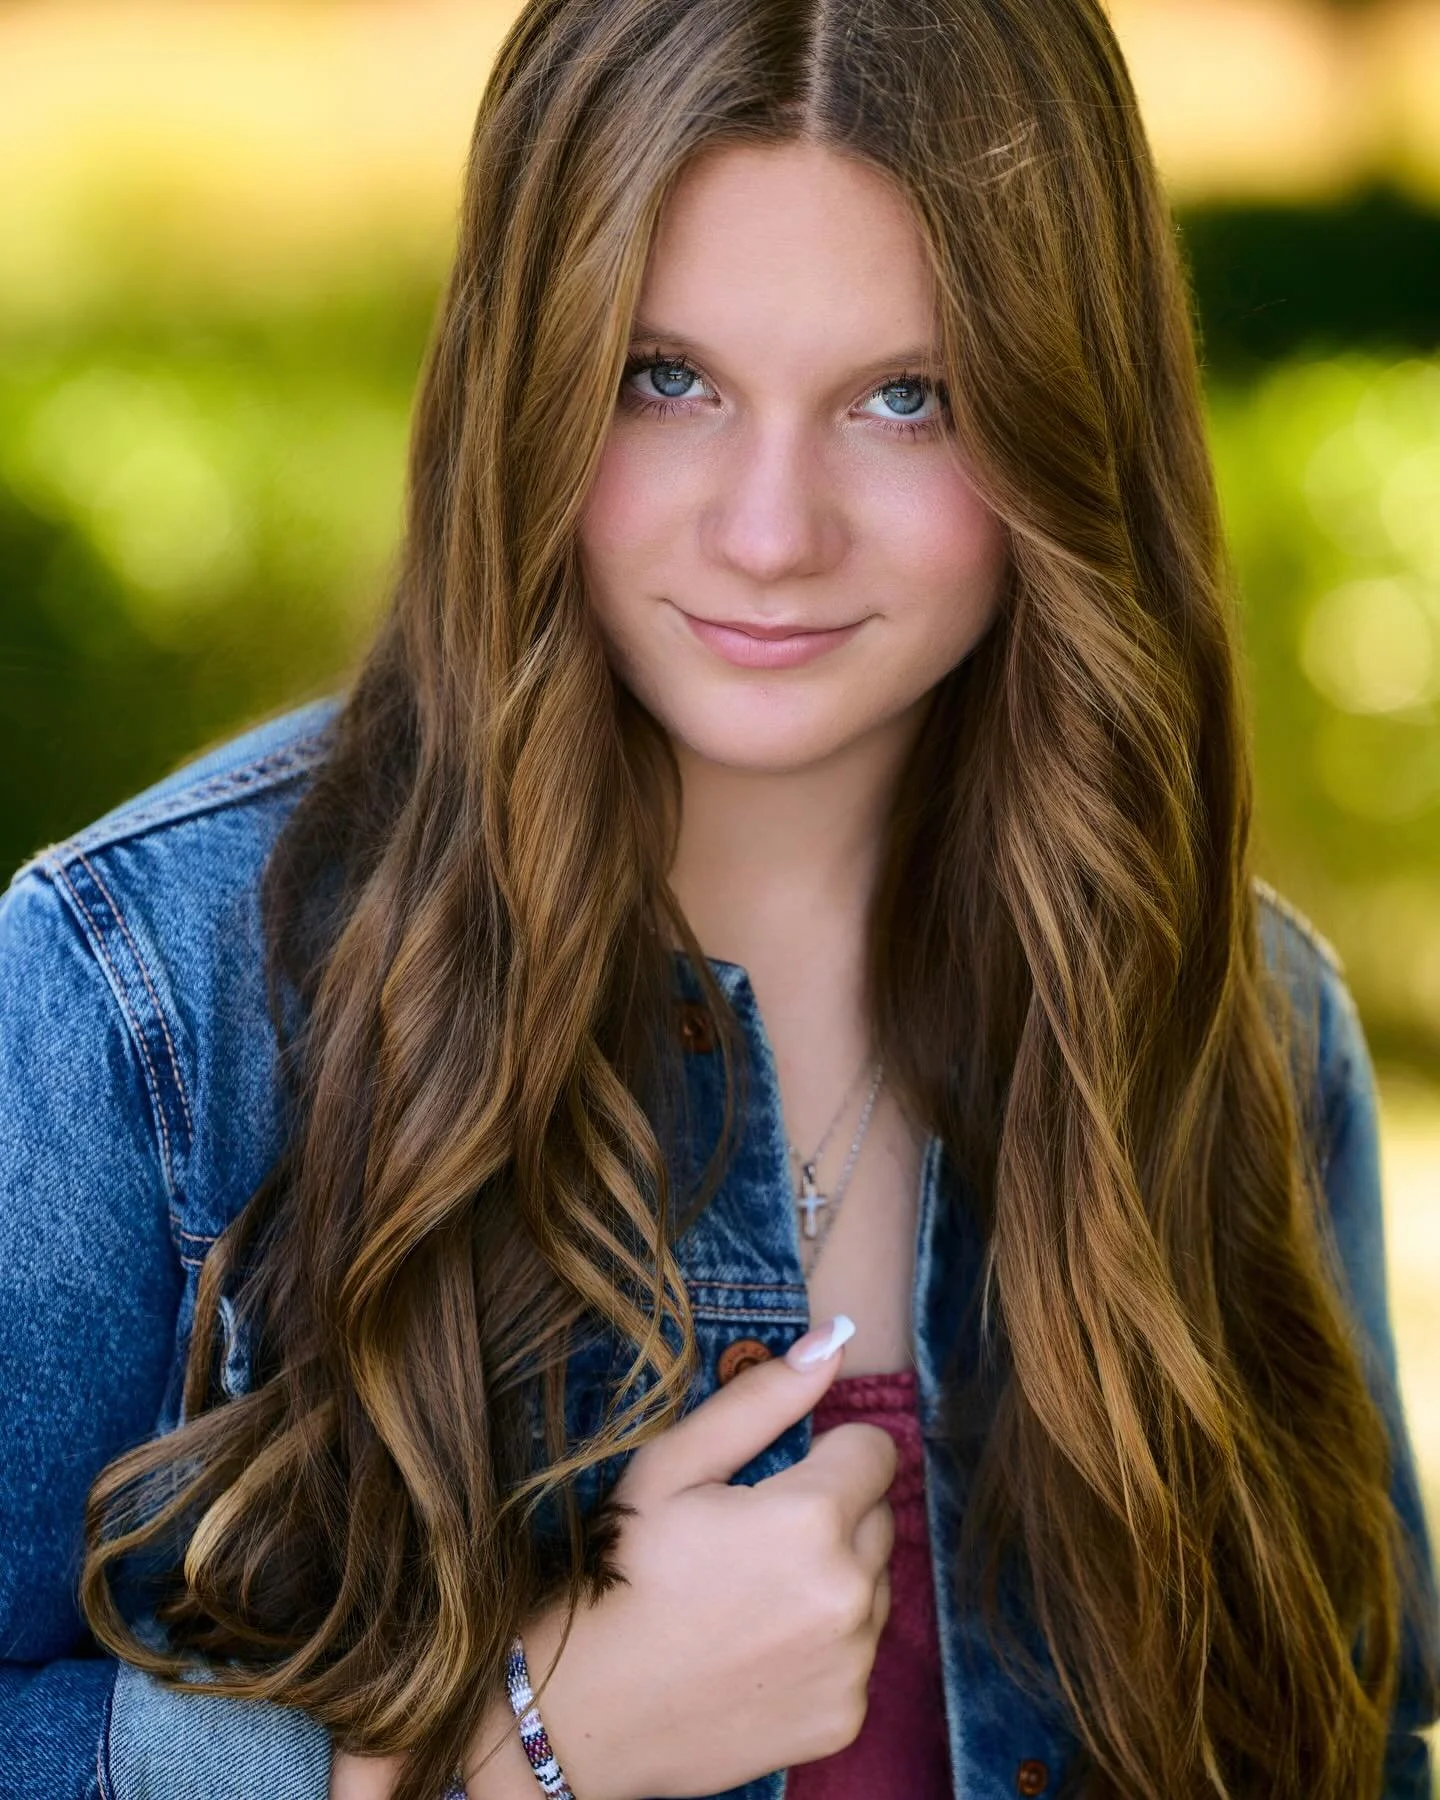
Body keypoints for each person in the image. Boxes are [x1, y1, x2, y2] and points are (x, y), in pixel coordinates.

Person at [1, 0, 1437, 1796]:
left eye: (907, 398)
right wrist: (505, 1756)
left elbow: (1355, 1736)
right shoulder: (145, 1006)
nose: (772, 531)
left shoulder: (1235, 1022)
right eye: (664, 378)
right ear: (526, 378)